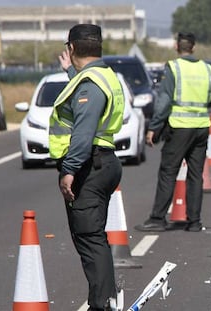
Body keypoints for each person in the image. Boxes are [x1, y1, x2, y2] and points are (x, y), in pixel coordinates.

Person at [48, 24, 125, 310]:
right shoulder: (102, 75)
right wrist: (71, 71)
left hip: (89, 166)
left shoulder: (91, 84)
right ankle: (103, 301)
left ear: (71, 48)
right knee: (94, 239)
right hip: (102, 162)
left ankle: (102, 305)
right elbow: (86, 98)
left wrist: (68, 170)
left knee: (91, 241)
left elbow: (83, 131)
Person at [134, 32, 211, 233]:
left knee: (168, 172)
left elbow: (164, 101)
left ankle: (157, 219)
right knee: (195, 175)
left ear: (176, 46)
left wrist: (154, 127)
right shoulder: (207, 69)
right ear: (194, 47)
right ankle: (194, 222)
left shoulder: (174, 68)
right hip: (201, 127)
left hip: (180, 127)